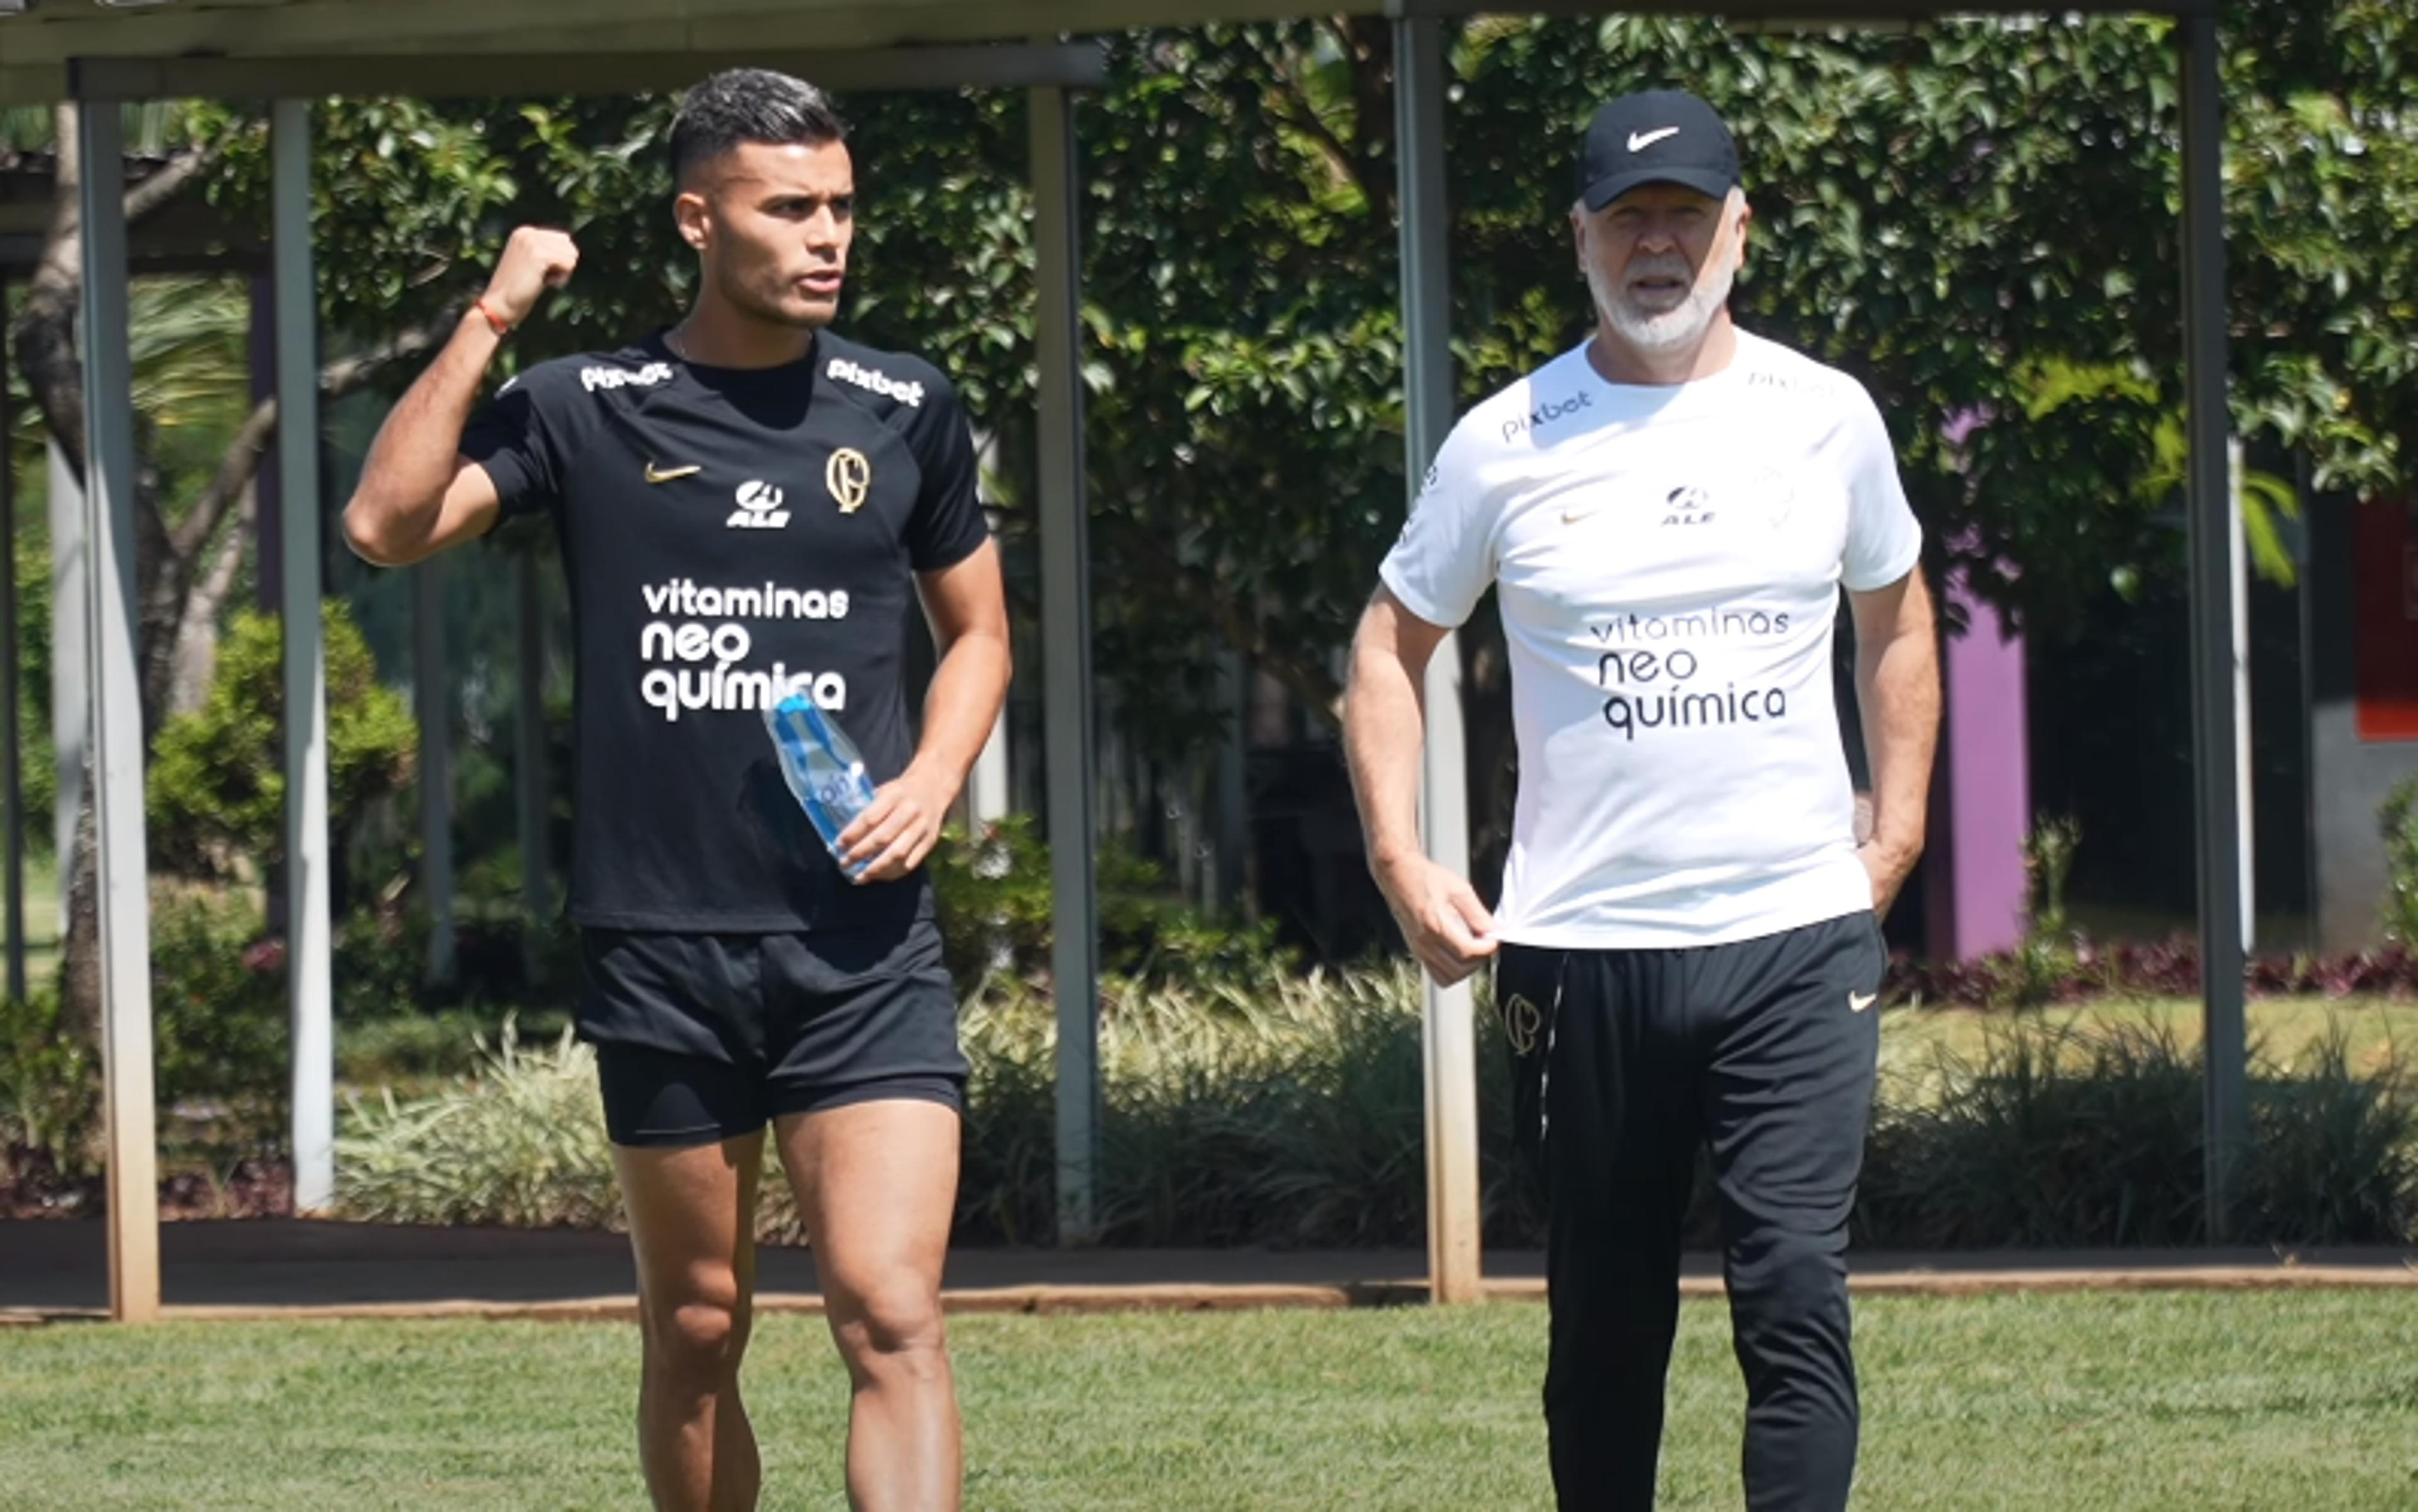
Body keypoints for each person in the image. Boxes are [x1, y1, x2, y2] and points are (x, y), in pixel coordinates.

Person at [342, 69, 1007, 1512]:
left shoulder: (908, 407)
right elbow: (386, 523)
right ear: (701, 220)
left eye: (841, 206)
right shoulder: (585, 407)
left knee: (891, 1311)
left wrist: (936, 774)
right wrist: (493, 315)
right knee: (698, 1325)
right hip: (661, 940)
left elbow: (981, 635)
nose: (829, 235)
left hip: (860, 943)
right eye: (790, 209)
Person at [1342, 89, 1939, 1511]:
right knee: (1606, 1321)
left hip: (1797, 939)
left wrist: (1899, 827)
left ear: (1740, 229)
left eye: (1684, 214)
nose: (1657, 244)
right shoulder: (1506, 439)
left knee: (1795, 1291)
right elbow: (1388, 644)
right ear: (1581, 241)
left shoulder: (1827, 418)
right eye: (1628, 219)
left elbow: (1899, 619)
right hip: (1583, 949)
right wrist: (1400, 855)